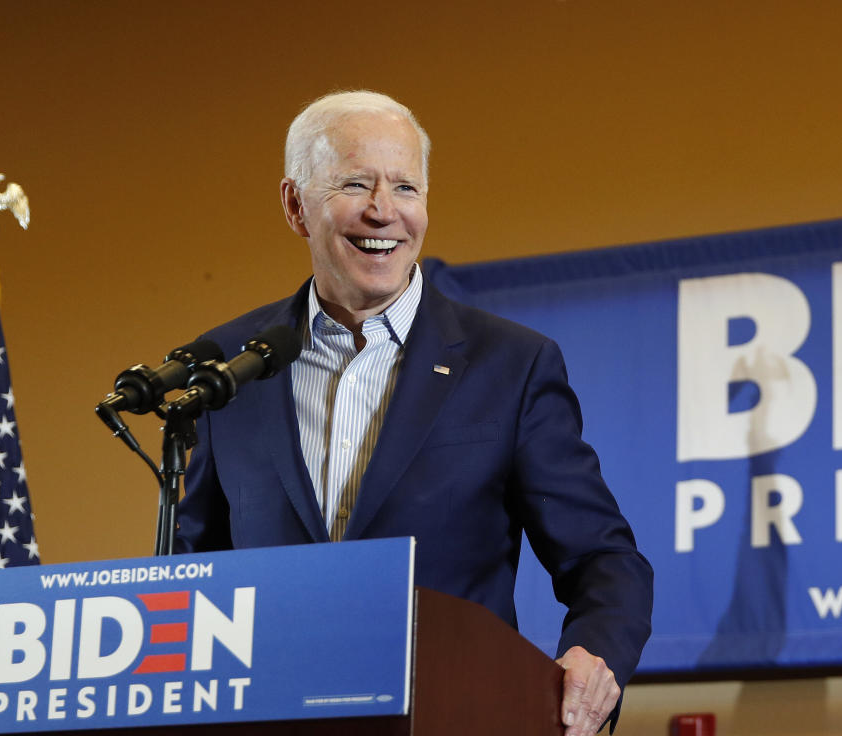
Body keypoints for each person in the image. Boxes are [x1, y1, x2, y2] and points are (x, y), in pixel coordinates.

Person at [176, 90, 652, 735]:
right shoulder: (231, 366)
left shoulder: (510, 364)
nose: (384, 212)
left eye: (405, 187)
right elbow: (194, 566)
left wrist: (594, 658)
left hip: (451, 715)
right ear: (295, 205)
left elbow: (603, 558)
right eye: (354, 184)